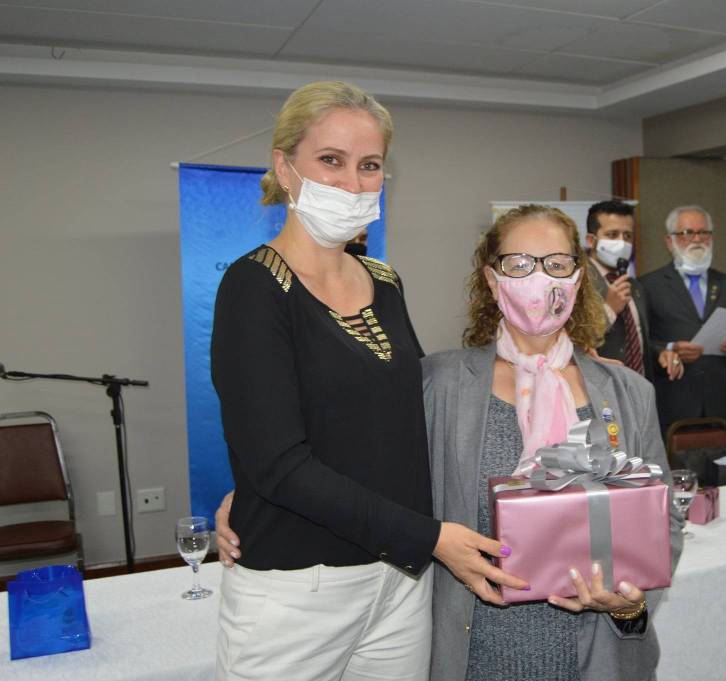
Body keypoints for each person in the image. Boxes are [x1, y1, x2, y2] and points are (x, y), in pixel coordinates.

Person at [218, 205, 682, 681]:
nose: (540, 278)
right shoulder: (438, 385)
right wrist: (250, 497)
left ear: (579, 278)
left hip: (598, 660)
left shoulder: (626, 392)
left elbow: (663, 521)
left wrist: (629, 605)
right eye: (519, 264)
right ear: (492, 279)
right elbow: (362, 454)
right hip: (474, 659)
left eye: (557, 264)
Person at [210, 80, 523, 681]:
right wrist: (430, 537)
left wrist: (564, 367)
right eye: (331, 160)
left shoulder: (384, 281)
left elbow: (413, 411)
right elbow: (278, 464)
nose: (353, 183)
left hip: (399, 580)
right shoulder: (254, 288)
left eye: (370, 165)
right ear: (285, 166)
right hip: (299, 587)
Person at [640, 205, 726, 435]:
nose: (697, 239)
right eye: (687, 233)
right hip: (672, 402)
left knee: (724, 459)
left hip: (720, 405)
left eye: (703, 232)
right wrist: (669, 349)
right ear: (669, 241)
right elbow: (640, 342)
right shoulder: (648, 285)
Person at [584, 200, 682, 382]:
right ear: (591, 240)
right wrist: (609, 309)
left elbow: (638, 340)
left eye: (627, 236)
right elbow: (572, 343)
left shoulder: (636, 287)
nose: (622, 243)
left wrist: (660, 354)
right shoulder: (577, 283)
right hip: (600, 390)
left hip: (639, 389)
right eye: (612, 235)